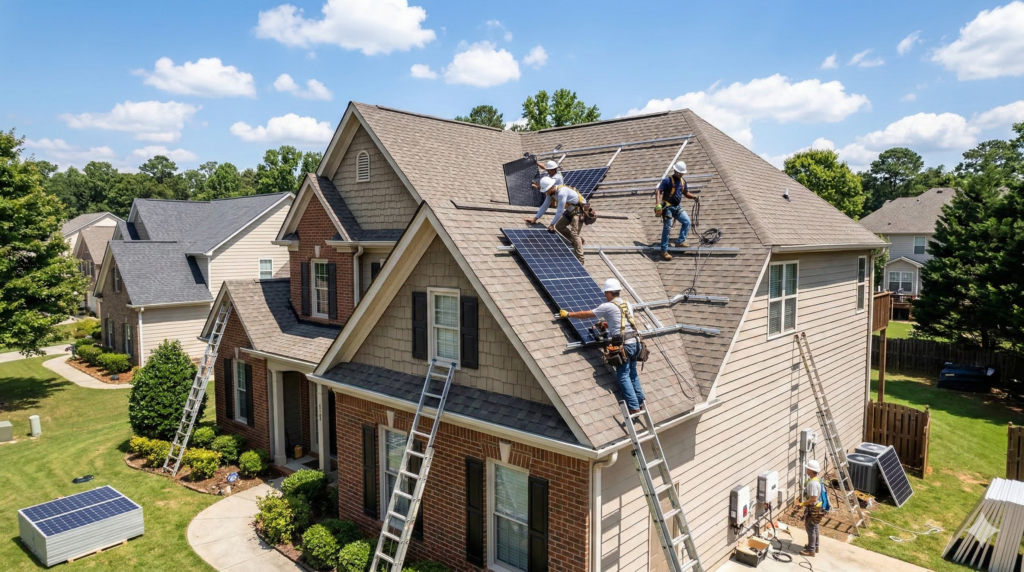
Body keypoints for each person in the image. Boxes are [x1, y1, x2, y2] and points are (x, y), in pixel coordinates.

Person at [558, 279, 645, 413]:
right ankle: (640, 402)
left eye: (606, 293)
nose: (605, 295)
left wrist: (568, 314)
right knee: (633, 373)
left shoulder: (607, 306)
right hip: (636, 342)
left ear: (610, 292)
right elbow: (621, 321)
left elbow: (587, 315)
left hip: (625, 346)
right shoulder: (627, 304)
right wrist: (607, 324)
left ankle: (633, 407)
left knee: (623, 375)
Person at [524, 176, 588, 264]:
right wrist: (535, 218)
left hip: (579, 210)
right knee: (560, 226)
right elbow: (544, 206)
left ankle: (580, 259)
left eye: (547, 190)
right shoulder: (551, 194)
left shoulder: (562, 192)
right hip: (571, 210)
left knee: (574, 234)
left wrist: (551, 224)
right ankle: (579, 241)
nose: (546, 192)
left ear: (551, 187)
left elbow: (560, 210)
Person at [654, 161, 697, 261]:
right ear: (676, 172)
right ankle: (663, 251)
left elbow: (686, 193)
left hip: (677, 207)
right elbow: (658, 191)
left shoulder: (683, 182)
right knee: (667, 228)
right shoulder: (667, 181)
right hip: (668, 208)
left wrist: (694, 197)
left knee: (687, 222)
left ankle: (680, 241)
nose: (681, 174)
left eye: (682, 173)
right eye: (680, 173)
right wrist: (658, 204)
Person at [800, 459, 823, 557]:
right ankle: (815, 546)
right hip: (817, 508)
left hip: (813, 508)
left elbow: (813, 498)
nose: (806, 469)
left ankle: (811, 550)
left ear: (810, 470)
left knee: (811, 529)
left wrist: (802, 504)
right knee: (815, 527)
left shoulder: (813, 483)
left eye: (807, 468)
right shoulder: (817, 479)